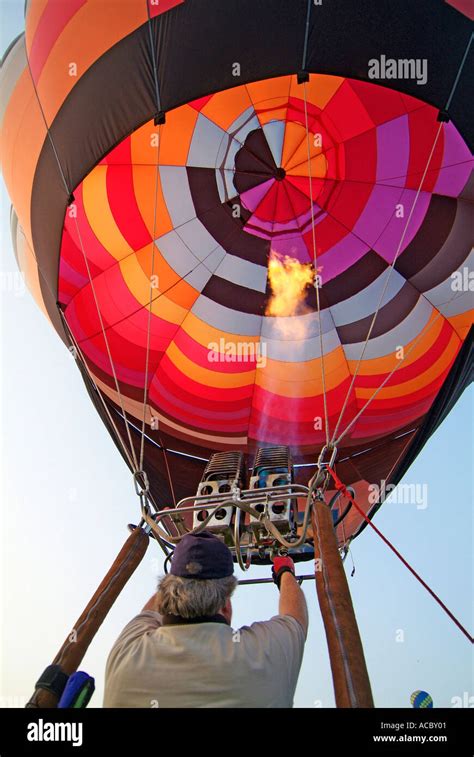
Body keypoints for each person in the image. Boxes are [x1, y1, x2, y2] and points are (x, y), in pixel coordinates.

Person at [103, 530, 308, 708]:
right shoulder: (266, 655)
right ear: (225, 607)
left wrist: (186, 557)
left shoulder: (128, 653)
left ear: (166, 593)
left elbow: (151, 612)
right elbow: (294, 617)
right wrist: (284, 570)